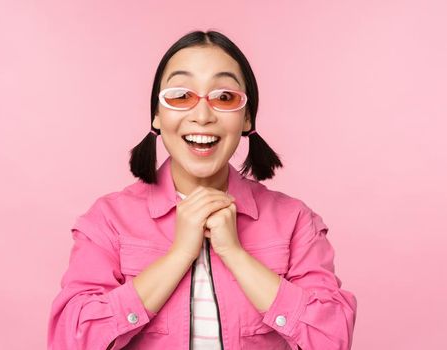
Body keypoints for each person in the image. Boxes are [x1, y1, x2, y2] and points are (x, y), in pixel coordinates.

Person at [46, 30, 357, 350]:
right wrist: (180, 254)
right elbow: (71, 341)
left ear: (247, 117)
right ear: (156, 114)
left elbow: (330, 339)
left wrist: (235, 255)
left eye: (225, 97)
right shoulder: (108, 220)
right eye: (181, 96)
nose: (203, 115)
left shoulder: (295, 221)